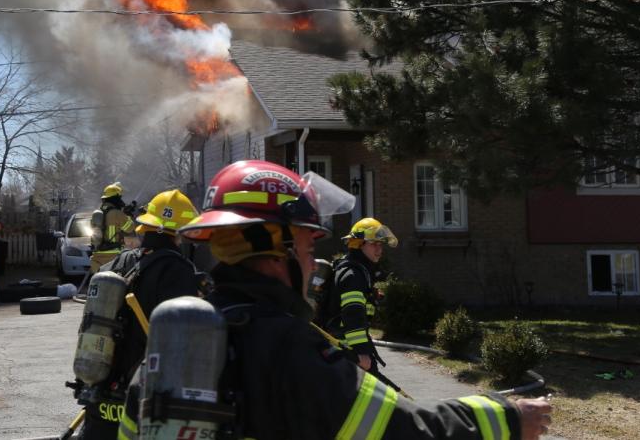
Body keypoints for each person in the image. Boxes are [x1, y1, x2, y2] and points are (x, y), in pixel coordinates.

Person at [124, 160, 552, 440]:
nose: (314, 266)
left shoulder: (169, 348)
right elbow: (406, 432)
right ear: (278, 249)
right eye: (309, 250)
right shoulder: (291, 350)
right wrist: (508, 417)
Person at [82, 189, 201, 440]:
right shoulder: (178, 272)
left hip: (101, 400)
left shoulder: (116, 265)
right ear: (179, 234)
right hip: (141, 404)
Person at [329, 216, 397, 374]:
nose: (379, 250)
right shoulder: (353, 275)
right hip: (348, 352)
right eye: (374, 244)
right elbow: (353, 314)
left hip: (345, 351)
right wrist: (362, 353)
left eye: (381, 245)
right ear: (358, 244)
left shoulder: (356, 270)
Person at [89, 182, 135, 274]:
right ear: (116, 198)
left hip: (97, 257)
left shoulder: (99, 213)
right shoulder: (117, 213)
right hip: (113, 257)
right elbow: (130, 228)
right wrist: (128, 215)